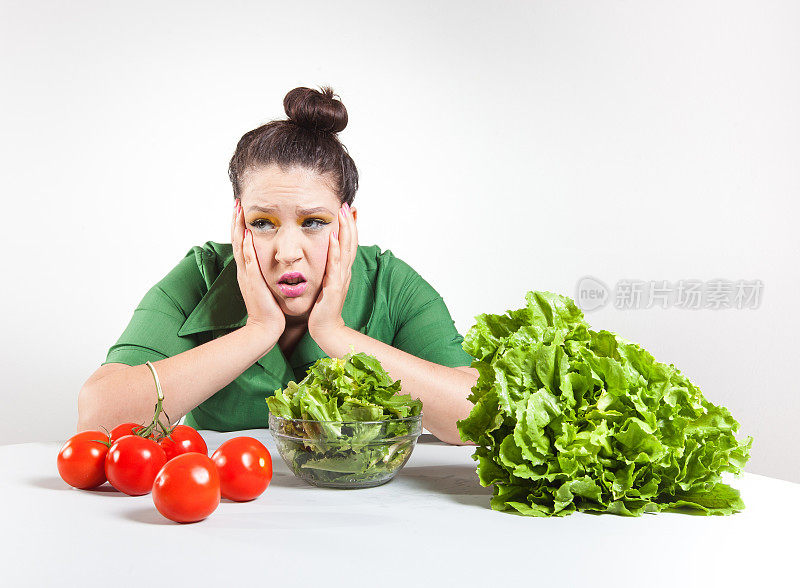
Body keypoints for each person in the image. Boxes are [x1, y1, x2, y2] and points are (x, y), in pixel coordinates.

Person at [77, 85, 479, 445]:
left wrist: (333, 333)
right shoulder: (202, 276)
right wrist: (258, 331)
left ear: (348, 225)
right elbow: (98, 417)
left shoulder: (391, 283)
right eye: (263, 223)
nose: (287, 252)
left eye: (314, 222)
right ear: (239, 223)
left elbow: (476, 415)